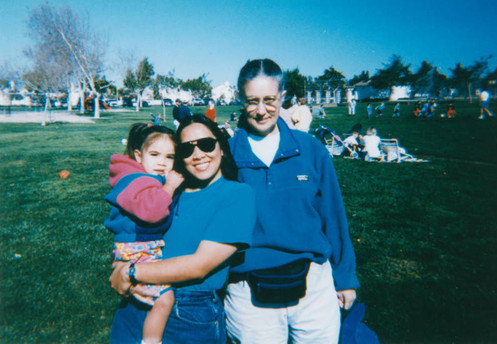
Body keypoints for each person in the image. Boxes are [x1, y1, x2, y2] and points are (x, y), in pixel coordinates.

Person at [224, 58, 359, 344]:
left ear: (283, 97)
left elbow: (333, 216)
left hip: (313, 287)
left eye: (270, 100)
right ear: (240, 100)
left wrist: (345, 278)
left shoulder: (310, 149)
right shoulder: (225, 154)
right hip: (248, 291)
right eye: (252, 101)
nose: (261, 111)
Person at [109, 115, 256, 344]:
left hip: (188, 312)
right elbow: (130, 232)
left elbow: (199, 266)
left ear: (222, 148)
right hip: (137, 302)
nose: (197, 154)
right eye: (187, 149)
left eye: (206, 144)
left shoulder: (236, 194)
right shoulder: (169, 191)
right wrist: (120, 266)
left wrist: (128, 273)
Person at [104, 123, 184, 344]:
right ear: (139, 156)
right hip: (138, 246)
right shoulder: (137, 180)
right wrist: (170, 187)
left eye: (169, 157)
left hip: (136, 246)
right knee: (164, 299)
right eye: (155, 154)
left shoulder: (139, 177)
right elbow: (152, 211)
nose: (162, 162)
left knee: (148, 297)